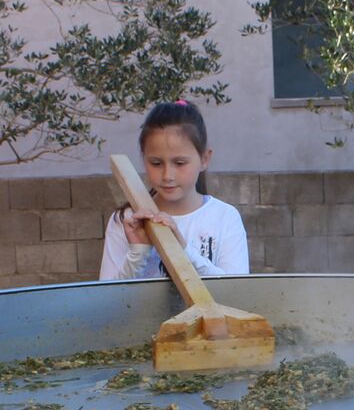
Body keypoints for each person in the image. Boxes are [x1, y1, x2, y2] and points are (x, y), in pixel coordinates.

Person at [100, 100, 249, 279]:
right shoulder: (127, 221)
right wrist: (138, 252)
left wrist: (183, 250)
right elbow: (108, 300)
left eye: (179, 163)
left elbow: (235, 292)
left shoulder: (225, 217)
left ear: (204, 159)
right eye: (156, 163)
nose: (167, 175)